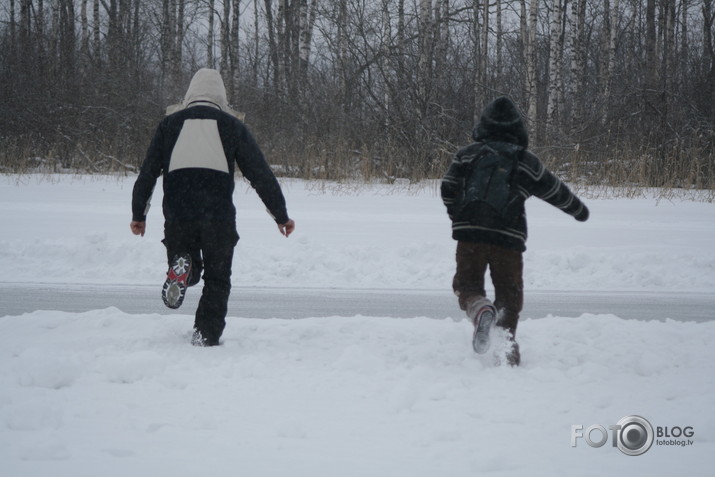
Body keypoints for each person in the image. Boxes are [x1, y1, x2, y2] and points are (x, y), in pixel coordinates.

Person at [130, 68, 295, 347]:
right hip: (217, 217)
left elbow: (147, 173)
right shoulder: (232, 127)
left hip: (178, 213)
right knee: (218, 278)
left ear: (190, 94)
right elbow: (260, 174)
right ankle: (205, 334)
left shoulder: (169, 125)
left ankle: (184, 268)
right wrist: (280, 215)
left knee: (185, 258)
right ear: (221, 96)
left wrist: (138, 214)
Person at [441, 96, 589, 366]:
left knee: (467, 286)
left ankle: (479, 309)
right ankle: (506, 352)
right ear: (518, 129)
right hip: (507, 238)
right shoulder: (524, 160)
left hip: (470, 235)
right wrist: (578, 211)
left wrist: (460, 218)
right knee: (509, 295)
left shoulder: (467, 155)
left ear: (483, 126)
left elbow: (448, 187)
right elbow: (554, 190)